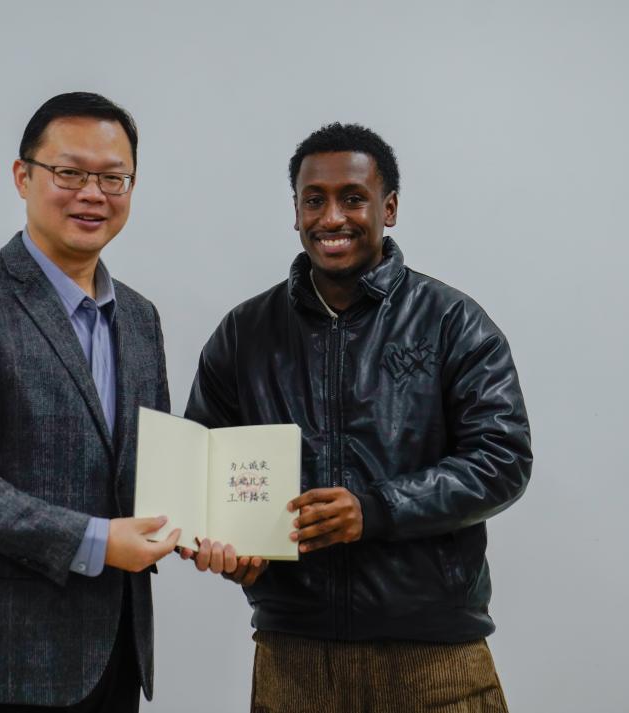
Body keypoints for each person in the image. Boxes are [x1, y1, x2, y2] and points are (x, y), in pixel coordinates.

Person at [182, 123, 532, 712]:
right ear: (295, 211)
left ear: (388, 208)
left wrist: (375, 509)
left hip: (435, 660)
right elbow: (202, 468)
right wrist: (224, 543)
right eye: (313, 200)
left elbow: (502, 461)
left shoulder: (453, 322)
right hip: (294, 659)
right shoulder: (245, 333)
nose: (332, 217)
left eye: (352, 198)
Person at [0, 92, 180, 712]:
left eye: (113, 177)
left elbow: (154, 471)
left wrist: (213, 525)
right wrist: (95, 541)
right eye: (70, 172)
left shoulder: (140, 318)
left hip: (113, 656)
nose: (93, 193)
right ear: (22, 176)